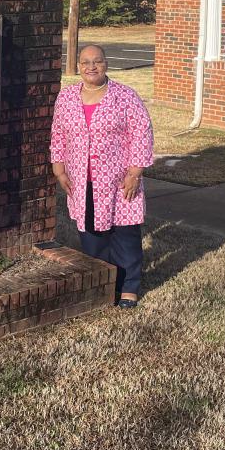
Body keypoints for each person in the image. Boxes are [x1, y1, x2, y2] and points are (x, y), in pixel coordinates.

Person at [50, 44, 154, 308]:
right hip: (81, 179)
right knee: (92, 234)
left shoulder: (125, 97)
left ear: (106, 64)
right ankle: (105, 282)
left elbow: (141, 134)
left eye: (97, 61)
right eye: (85, 62)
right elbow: (58, 133)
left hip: (119, 180)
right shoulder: (67, 97)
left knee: (125, 232)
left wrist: (135, 173)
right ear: (77, 65)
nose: (91, 67)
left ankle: (128, 286)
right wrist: (59, 168)